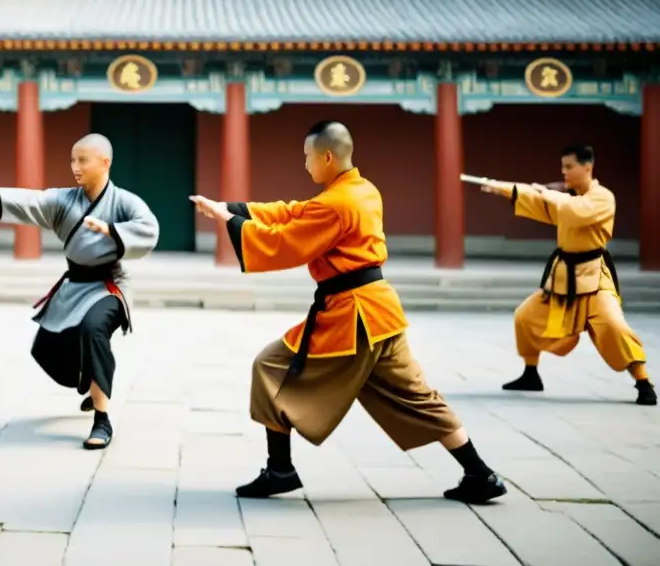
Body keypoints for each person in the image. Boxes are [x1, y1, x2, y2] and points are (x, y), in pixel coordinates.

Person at [190, 121, 507, 504]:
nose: (305, 165)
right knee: (418, 396)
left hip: (351, 316)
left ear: (326, 156)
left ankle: (280, 469)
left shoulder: (336, 202)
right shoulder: (363, 190)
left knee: (270, 366)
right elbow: (296, 212)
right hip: (382, 312)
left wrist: (230, 222)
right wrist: (233, 209)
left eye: (308, 157)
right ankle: (480, 473)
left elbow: (286, 241)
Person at [0, 133, 159, 450]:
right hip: (74, 285)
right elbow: (35, 200)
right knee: (45, 349)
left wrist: (112, 230)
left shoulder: (125, 202)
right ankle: (91, 380)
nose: (75, 167)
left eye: (82, 160)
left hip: (108, 286)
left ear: (105, 162)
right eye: (72, 160)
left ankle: (102, 420)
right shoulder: (65, 200)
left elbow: (149, 228)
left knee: (93, 331)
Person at [479, 143, 655, 406]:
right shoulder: (564, 198)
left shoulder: (602, 197)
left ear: (588, 166)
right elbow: (542, 203)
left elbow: (576, 210)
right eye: (563, 166)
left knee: (614, 327)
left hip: (595, 277)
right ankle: (530, 374)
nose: (564, 172)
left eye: (569, 166)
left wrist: (547, 193)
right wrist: (505, 189)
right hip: (564, 276)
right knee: (525, 316)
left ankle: (643, 382)